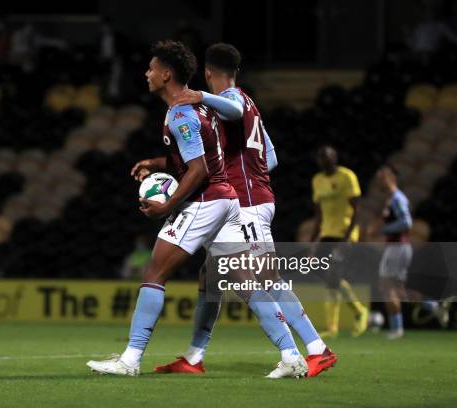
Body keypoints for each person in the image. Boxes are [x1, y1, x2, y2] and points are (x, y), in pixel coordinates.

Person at [86, 41, 307, 378]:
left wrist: (167, 206)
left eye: (151, 68)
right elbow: (198, 159)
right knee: (246, 282)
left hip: (208, 201)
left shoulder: (181, 113)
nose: (146, 73)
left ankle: (130, 360)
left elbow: (200, 169)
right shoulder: (201, 110)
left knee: (154, 273)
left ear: (166, 74)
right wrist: (156, 165)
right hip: (230, 199)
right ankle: (291, 353)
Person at [156, 43, 335, 377]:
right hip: (251, 198)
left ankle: (314, 349)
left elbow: (234, 111)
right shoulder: (251, 104)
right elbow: (273, 156)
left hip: (247, 204)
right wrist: (250, 169)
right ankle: (193, 358)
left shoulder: (234, 100)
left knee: (262, 279)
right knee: (210, 278)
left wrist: (202, 98)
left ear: (208, 73)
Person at [311, 146, 369, 338]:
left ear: (335, 158)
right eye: (321, 158)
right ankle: (359, 310)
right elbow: (319, 214)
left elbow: (357, 209)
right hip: (327, 233)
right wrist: (313, 238)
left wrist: (348, 237)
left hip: (345, 233)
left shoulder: (347, 176)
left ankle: (332, 328)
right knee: (321, 272)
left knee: (333, 274)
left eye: (327, 157)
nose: (324, 161)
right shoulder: (317, 181)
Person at [375, 165, 413, 339]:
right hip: (395, 247)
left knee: (387, 286)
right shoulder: (391, 199)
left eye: (381, 179)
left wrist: (384, 229)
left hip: (398, 247)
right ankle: (431, 306)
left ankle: (397, 329)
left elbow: (406, 222)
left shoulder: (398, 198)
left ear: (390, 178)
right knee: (397, 288)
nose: (378, 183)